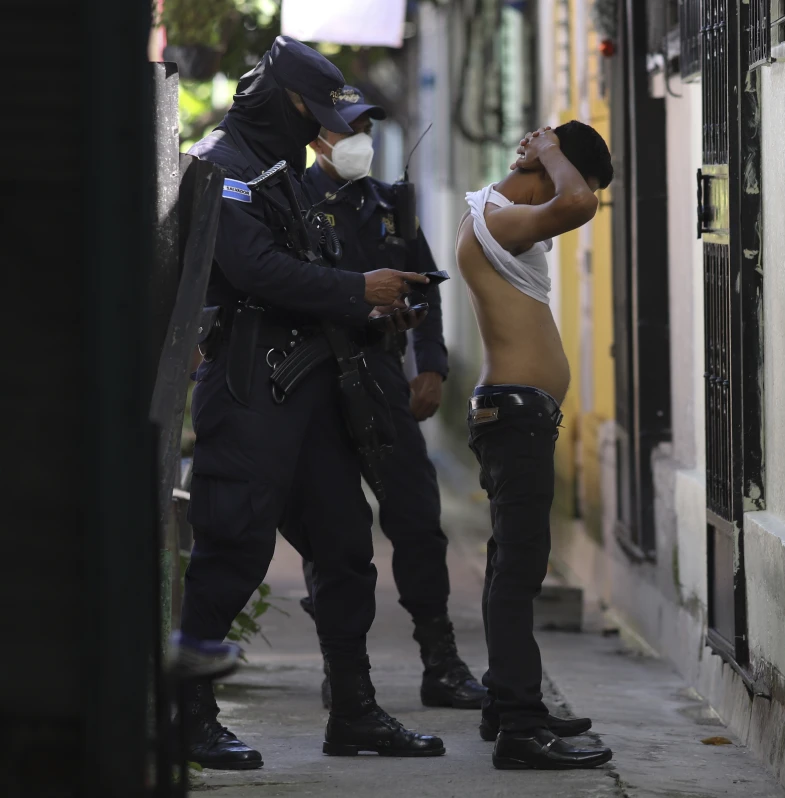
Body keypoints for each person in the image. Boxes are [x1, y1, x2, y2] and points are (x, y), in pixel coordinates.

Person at [181, 36, 443, 769]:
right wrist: (358, 291)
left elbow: (311, 259)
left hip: (314, 385)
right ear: (286, 102)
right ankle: (190, 716)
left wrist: (380, 302)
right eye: (321, 114)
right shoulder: (221, 163)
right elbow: (252, 267)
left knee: (345, 547)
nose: (329, 130)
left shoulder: (282, 171)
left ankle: (354, 711)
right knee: (232, 546)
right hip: (249, 385)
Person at [294, 85, 487, 713]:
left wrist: (429, 366)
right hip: (318, 384)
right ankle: (345, 671)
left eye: (366, 128)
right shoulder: (293, 201)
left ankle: (442, 662)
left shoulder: (391, 205)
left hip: (381, 382)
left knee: (418, 524)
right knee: (335, 534)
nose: (361, 142)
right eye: (349, 129)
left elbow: (425, 288)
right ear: (320, 137)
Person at [455, 121, 615, 770]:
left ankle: (507, 703)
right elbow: (579, 202)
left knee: (510, 565)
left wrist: (550, 159)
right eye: (573, 172)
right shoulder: (501, 217)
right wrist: (551, 153)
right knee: (520, 571)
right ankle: (521, 726)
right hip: (516, 415)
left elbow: (574, 198)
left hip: (518, 413)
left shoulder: (499, 213)